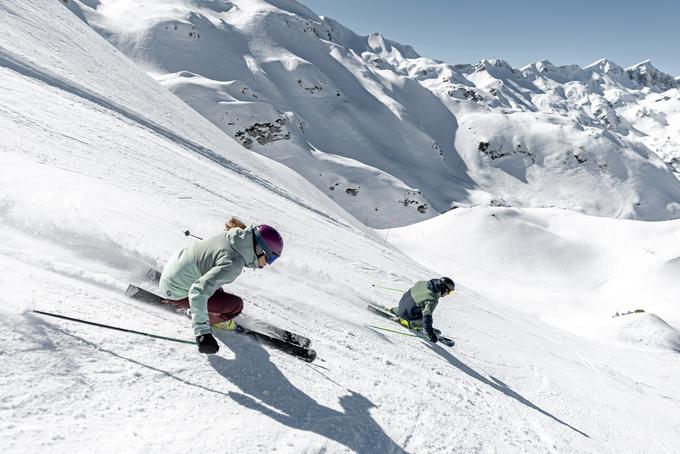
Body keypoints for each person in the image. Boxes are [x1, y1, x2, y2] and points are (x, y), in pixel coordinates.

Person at [159, 217, 283, 354]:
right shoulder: (234, 263)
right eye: (270, 258)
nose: (267, 264)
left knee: (217, 287)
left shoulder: (234, 236)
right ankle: (211, 319)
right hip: (176, 291)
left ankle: (197, 305)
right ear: (260, 249)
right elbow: (198, 290)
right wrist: (203, 333)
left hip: (173, 270)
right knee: (235, 306)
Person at [390, 277, 455, 343]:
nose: (447, 294)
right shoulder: (433, 299)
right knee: (423, 314)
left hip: (402, 304)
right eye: (449, 292)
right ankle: (412, 323)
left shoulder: (423, 283)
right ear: (444, 288)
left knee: (417, 304)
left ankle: (397, 311)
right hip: (406, 315)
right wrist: (430, 333)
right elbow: (427, 316)